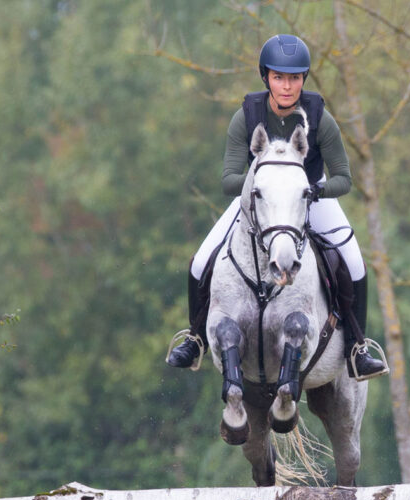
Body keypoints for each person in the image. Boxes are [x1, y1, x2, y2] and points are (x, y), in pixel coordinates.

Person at [166, 33, 388, 381]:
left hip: (309, 198)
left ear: (304, 79)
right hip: (259, 202)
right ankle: (195, 338)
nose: (287, 86)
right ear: (266, 77)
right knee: (200, 260)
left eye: (295, 78)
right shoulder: (247, 116)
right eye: (279, 77)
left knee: (355, 261)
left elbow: (344, 177)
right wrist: (268, 189)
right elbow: (228, 179)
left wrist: (312, 191)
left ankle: (357, 348)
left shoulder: (320, 118)